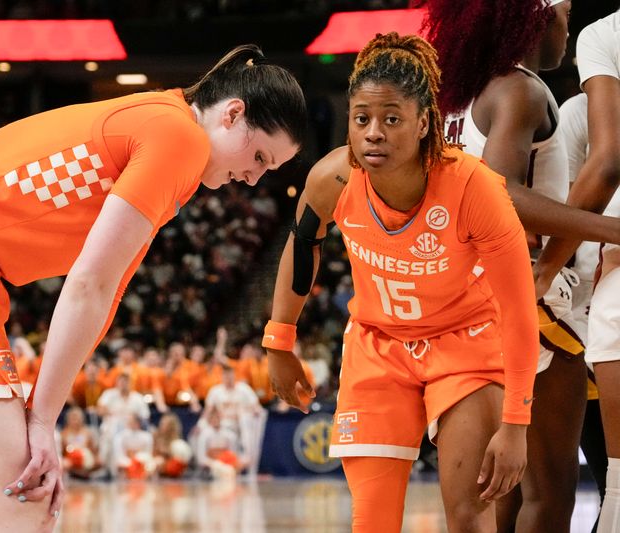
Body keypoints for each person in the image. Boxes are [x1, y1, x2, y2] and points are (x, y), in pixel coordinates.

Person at [0, 44, 307, 531]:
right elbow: (89, 283)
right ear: (232, 113)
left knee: (31, 510)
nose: (256, 178)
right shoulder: (179, 136)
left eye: (270, 170)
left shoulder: (167, 132)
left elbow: (106, 294)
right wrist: (42, 420)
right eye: (259, 156)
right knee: (26, 506)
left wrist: (44, 414)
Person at [265, 32, 538, 532]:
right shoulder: (333, 179)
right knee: (371, 521)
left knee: (467, 512)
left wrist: (516, 422)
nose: (373, 133)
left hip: (466, 344)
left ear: (423, 122)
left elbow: (519, 309)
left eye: (392, 119)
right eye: (361, 118)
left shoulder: (475, 189)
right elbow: (301, 244)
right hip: (378, 346)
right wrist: (279, 339)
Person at [423, 1, 603, 529]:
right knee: (549, 494)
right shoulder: (519, 89)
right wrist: (609, 228)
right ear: (534, 18)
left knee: (506, 488)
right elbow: (499, 193)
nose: (569, 30)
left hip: (463, 298)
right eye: (564, 16)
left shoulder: (459, 94)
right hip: (527, 299)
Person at [534, 9, 620, 532]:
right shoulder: (575, 116)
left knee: (613, 491)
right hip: (584, 324)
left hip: (605, 317)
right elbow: (558, 208)